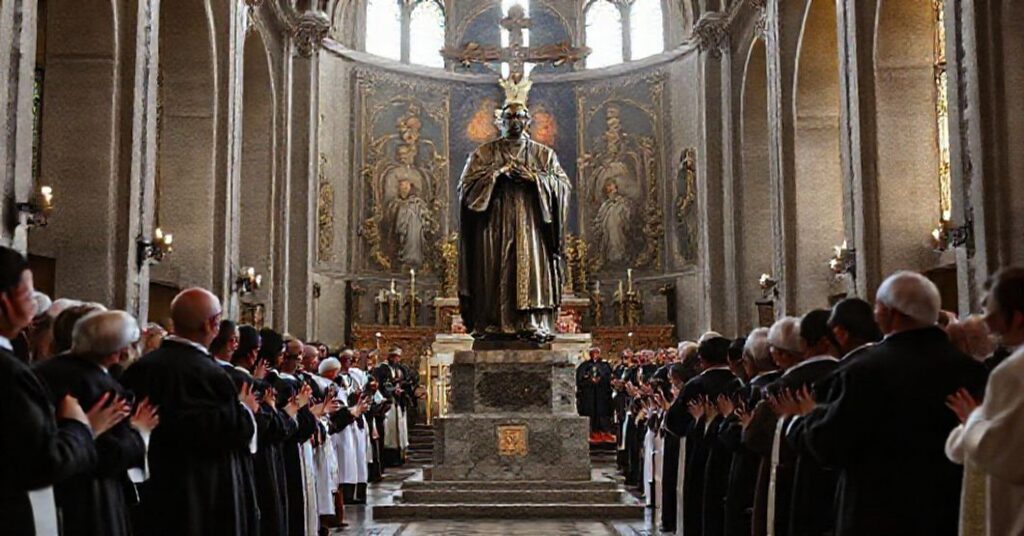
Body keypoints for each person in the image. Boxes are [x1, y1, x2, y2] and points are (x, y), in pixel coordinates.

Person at [801, 271, 987, 535]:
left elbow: (829, 445)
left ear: (891, 313)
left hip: (875, 514)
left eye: (877, 308)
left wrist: (812, 417)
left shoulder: (863, 371)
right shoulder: (971, 370)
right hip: (947, 513)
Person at [0, 247, 123, 536]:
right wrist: (81, 428)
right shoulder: (10, 374)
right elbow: (42, 463)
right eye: (29, 295)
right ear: (5, 302)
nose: (34, 307)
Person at [120, 288, 259, 536]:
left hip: (155, 487)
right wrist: (245, 412)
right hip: (206, 492)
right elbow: (228, 429)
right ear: (211, 324)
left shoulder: (142, 367)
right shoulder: (212, 374)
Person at [457, 99, 572, 343]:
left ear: (528, 122)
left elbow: (562, 186)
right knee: (495, 270)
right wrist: (496, 175)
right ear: (500, 123)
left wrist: (535, 180)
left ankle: (531, 321)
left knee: (530, 269)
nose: (515, 122)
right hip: (493, 225)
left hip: (531, 226)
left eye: (520, 117)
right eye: (510, 118)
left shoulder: (543, 155)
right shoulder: (483, 153)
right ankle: (493, 322)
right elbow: (466, 189)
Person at [33, 310, 156, 536]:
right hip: (94, 500)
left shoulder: (40, 372)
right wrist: (140, 433)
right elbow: (112, 455)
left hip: (49, 492)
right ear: (117, 354)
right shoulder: (105, 390)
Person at [946, 267, 1024, 536]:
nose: (987, 324)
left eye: (991, 313)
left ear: (1016, 316)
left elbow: (1000, 453)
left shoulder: (1013, 372)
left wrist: (974, 419)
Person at [664, 336, 737, 535]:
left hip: (699, 454)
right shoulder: (737, 383)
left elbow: (673, 424)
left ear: (701, 360)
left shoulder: (695, 385)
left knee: (699, 504)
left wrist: (699, 422)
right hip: (732, 454)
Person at [718, 328, 780, 536]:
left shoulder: (748, 393)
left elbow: (732, 438)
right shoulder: (785, 386)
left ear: (749, 360)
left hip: (746, 472)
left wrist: (728, 417)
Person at [375, 347, 413, 467]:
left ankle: (399, 456)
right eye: (395, 357)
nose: (397, 359)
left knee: (399, 431)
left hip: (399, 403)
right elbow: (380, 385)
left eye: (398, 357)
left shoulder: (401, 368)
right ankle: (389, 458)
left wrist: (403, 388)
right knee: (390, 433)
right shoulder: (382, 369)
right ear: (390, 357)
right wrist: (391, 390)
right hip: (388, 403)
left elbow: (407, 381)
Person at [576, 347, 614, 443]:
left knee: (603, 413)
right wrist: (590, 380)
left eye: (597, 352)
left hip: (602, 395)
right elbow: (579, 380)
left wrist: (600, 380)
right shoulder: (584, 365)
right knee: (590, 412)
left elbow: (609, 378)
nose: (595, 354)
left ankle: (604, 431)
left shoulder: (605, 365)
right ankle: (592, 431)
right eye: (593, 352)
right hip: (589, 395)